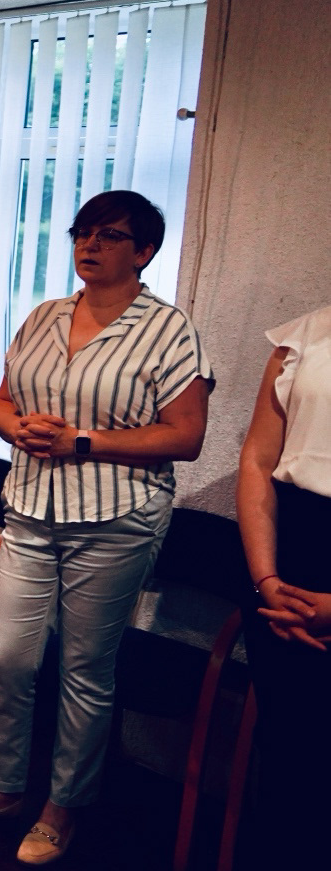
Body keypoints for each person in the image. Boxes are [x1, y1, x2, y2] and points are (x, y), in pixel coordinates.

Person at [0, 190, 211, 866]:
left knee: (84, 670)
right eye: (81, 233)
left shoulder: (169, 329)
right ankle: (5, 787)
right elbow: (3, 402)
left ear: (144, 251)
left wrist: (82, 441)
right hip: (31, 508)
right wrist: (17, 428)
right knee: (6, 657)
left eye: (109, 235)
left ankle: (62, 808)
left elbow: (186, 435)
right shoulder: (44, 316)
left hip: (116, 518)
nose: (89, 245)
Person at [237, 304, 331, 858]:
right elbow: (256, 461)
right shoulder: (302, 337)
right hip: (289, 556)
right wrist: (267, 580)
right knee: (288, 750)